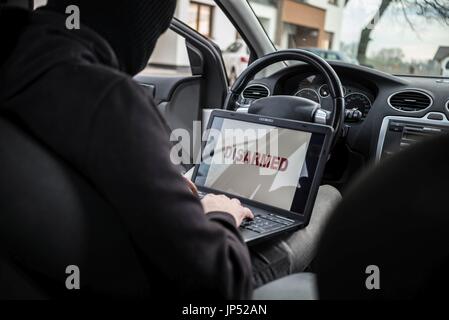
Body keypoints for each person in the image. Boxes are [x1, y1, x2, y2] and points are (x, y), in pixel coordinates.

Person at [0, 0, 340, 298]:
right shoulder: (109, 99)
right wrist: (221, 214)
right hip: (188, 282)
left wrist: (164, 187)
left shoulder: (20, 64)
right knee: (327, 197)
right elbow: (219, 283)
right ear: (137, 22)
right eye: (158, 29)